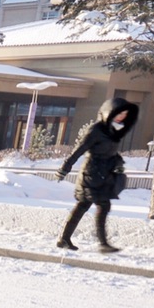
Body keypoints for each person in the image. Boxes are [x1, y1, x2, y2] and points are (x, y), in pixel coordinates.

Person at [56, 97, 139, 253]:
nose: (122, 117)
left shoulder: (114, 130)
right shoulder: (96, 130)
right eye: (119, 113)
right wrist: (64, 168)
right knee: (95, 205)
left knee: (88, 206)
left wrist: (118, 164)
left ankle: (65, 239)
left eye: (124, 114)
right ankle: (100, 243)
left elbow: (111, 152)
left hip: (105, 174)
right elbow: (79, 149)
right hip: (92, 173)